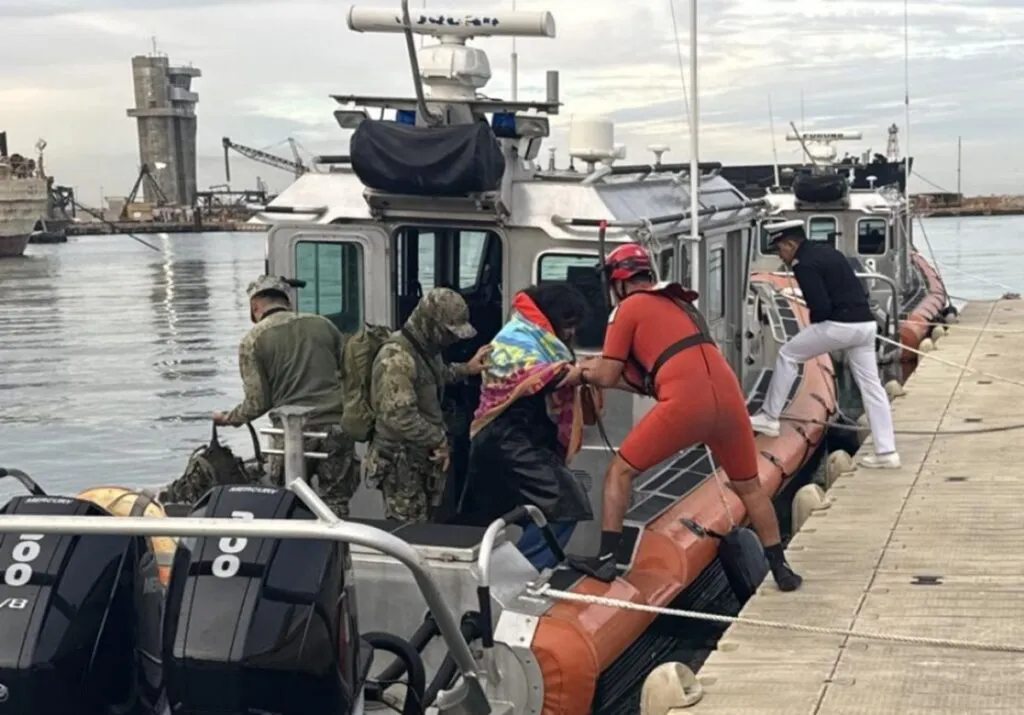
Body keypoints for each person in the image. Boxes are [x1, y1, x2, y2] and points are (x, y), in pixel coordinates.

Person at [564, 244, 802, 591]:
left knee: (620, 471)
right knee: (748, 488)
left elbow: (607, 375)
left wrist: (581, 374)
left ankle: (606, 561)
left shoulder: (627, 308)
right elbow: (659, 367)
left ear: (617, 283)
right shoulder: (682, 306)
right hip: (729, 396)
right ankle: (781, 569)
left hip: (687, 403)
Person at [460, 282, 596, 570]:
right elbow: (538, 377)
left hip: (518, 440)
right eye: (568, 325)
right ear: (550, 318)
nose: (571, 333)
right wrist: (588, 372)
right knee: (564, 506)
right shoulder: (514, 340)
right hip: (506, 440)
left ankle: (514, 571)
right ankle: (518, 573)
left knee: (529, 513)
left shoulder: (537, 340)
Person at [749, 220, 900, 469]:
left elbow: (820, 307)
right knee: (872, 387)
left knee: (788, 354)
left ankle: (770, 417)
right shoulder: (828, 252)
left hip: (840, 326)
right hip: (865, 325)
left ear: (790, 244)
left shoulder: (803, 264)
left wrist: (815, 326)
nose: (780, 257)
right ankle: (887, 452)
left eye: (780, 250)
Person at [211, 275, 359, 517]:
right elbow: (350, 376)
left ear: (255, 306)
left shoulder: (253, 340)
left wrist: (229, 418)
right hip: (335, 429)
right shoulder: (323, 325)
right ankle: (338, 551)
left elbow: (257, 403)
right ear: (287, 301)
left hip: (293, 436)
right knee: (335, 505)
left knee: (287, 503)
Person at [365, 287, 489, 522]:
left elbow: (434, 376)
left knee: (424, 524)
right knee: (407, 531)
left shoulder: (426, 349)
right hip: (401, 462)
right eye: (449, 332)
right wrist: (438, 438)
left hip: (420, 457)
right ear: (430, 324)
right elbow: (399, 416)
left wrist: (466, 368)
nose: (453, 339)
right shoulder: (396, 357)